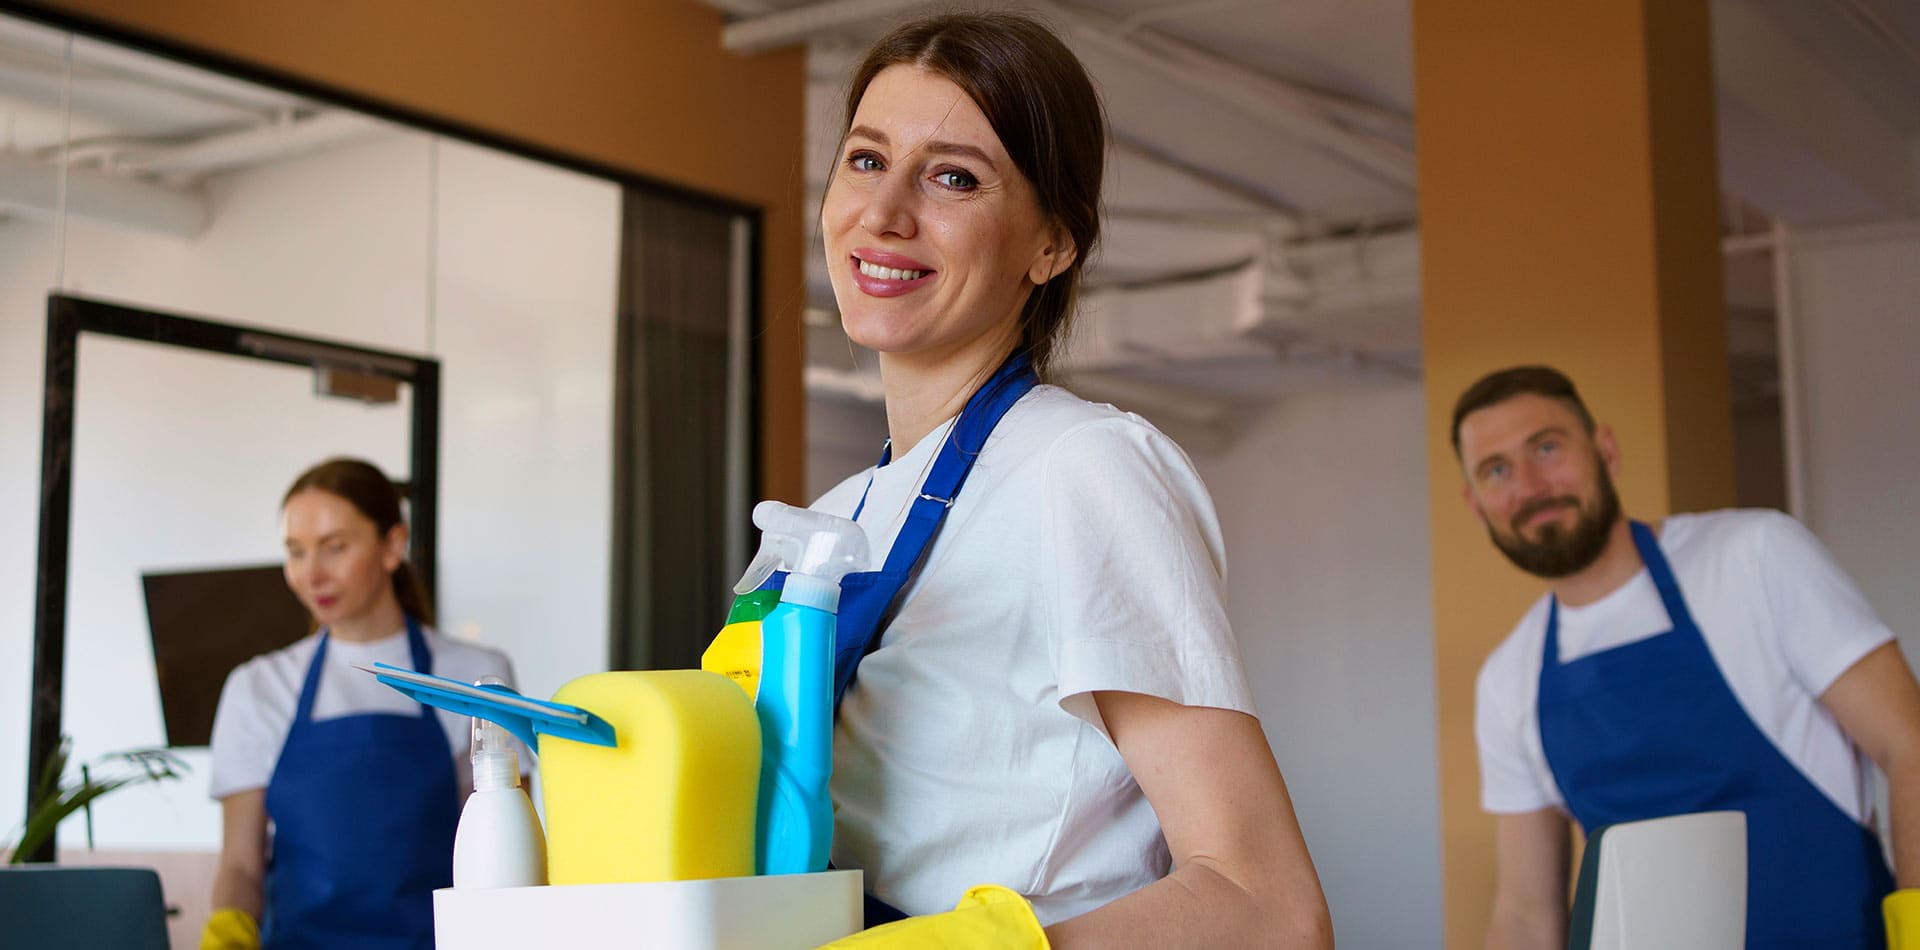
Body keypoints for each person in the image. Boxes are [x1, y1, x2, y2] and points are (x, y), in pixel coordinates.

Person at [800, 12, 1330, 948]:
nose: (883, 214)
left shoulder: (1081, 468)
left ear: (1051, 246)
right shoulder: (830, 521)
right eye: (866, 160)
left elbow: (1269, 908)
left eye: (953, 177)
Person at [1453, 366, 1920, 949]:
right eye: (1496, 470)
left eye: (1546, 447)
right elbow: (1525, 915)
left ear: (1606, 450)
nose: (1528, 484)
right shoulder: (1508, 678)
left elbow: (1910, 744)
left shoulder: (1753, 557)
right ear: (1476, 506)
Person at [200, 458, 522, 950]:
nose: (312, 574)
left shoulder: (475, 677)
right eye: (295, 552)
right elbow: (241, 865)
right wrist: (230, 931)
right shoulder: (258, 687)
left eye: (335, 548)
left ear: (393, 546)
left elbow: (504, 853)